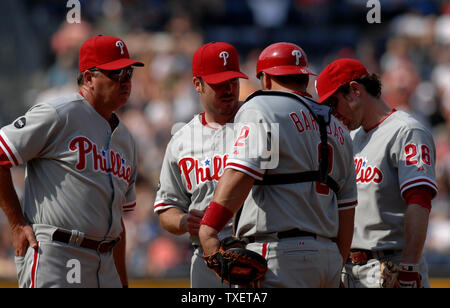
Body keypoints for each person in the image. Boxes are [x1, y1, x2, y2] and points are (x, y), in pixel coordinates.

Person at [198, 42, 358, 288]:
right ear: (304, 78)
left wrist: (208, 229)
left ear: (266, 79)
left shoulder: (262, 107)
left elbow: (241, 172)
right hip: (328, 256)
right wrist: (335, 262)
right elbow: (347, 210)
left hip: (280, 255)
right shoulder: (339, 128)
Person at [0, 34, 143, 288]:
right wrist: (17, 224)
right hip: (58, 253)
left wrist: (122, 282)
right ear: (89, 78)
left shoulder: (126, 139)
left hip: (105, 262)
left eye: (128, 73)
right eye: (116, 74)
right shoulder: (58, 114)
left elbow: (117, 222)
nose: (125, 82)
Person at [315, 58, 438, 288]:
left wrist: (409, 268)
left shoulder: (407, 131)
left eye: (334, 102)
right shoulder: (350, 138)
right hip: (349, 269)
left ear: (354, 90)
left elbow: (419, 202)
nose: (332, 112)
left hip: (391, 266)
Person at [153, 41, 248, 287]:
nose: (228, 89)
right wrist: (184, 221)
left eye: (233, 81)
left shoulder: (257, 126)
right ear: (197, 84)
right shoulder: (181, 140)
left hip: (253, 252)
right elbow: (166, 209)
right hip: (207, 261)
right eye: (219, 84)